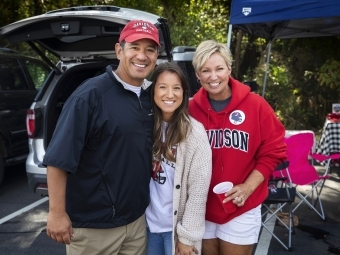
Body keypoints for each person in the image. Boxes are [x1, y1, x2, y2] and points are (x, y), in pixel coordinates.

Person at [43, 20, 160, 255]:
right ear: (119, 50)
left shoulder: (151, 97)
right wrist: (56, 213)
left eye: (150, 49)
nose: (142, 55)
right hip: (94, 228)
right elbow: (58, 159)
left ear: (157, 55)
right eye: (135, 47)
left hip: (137, 223)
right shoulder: (90, 96)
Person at [188, 40, 287, 255]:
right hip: (200, 206)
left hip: (241, 205)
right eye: (206, 70)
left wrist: (248, 186)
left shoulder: (256, 105)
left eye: (219, 69)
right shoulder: (190, 109)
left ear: (229, 69)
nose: (213, 77)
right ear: (197, 74)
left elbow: (274, 150)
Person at [145, 62, 212, 255]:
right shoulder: (144, 127)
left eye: (176, 88)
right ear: (153, 90)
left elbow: (198, 192)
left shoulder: (195, 133)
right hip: (146, 227)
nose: (169, 94)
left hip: (176, 230)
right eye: (162, 87)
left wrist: (187, 237)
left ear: (184, 93)